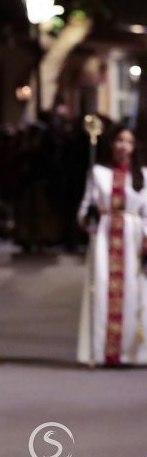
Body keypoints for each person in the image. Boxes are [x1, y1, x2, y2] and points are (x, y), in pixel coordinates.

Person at [77, 126, 147, 367]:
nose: (123, 146)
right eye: (119, 140)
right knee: (103, 290)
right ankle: (100, 351)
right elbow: (86, 207)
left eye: (129, 141)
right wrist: (89, 217)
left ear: (134, 146)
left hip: (133, 236)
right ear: (111, 144)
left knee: (134, 292)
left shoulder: (143, 175)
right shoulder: (98, 173)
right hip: (106, 237)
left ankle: (133, 352)